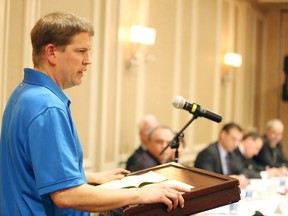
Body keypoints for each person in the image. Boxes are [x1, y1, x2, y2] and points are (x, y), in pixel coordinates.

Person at [0, 12, 190, 215]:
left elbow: (33, 168)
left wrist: (86, 176)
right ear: (51, 53)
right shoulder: (48, 106)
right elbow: (66, 196)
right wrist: (142, 194)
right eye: (81, 51)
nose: (88, 60)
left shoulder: (24, 92)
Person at [194, 122, 248, 187]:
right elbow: (208, 180)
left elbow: (242, 169)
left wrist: (241, 177)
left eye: (238, 141)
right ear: (223, 135)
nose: (236, 144)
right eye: (233, 139)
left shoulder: (233, 152)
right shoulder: (208, 153)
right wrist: (229, 179)